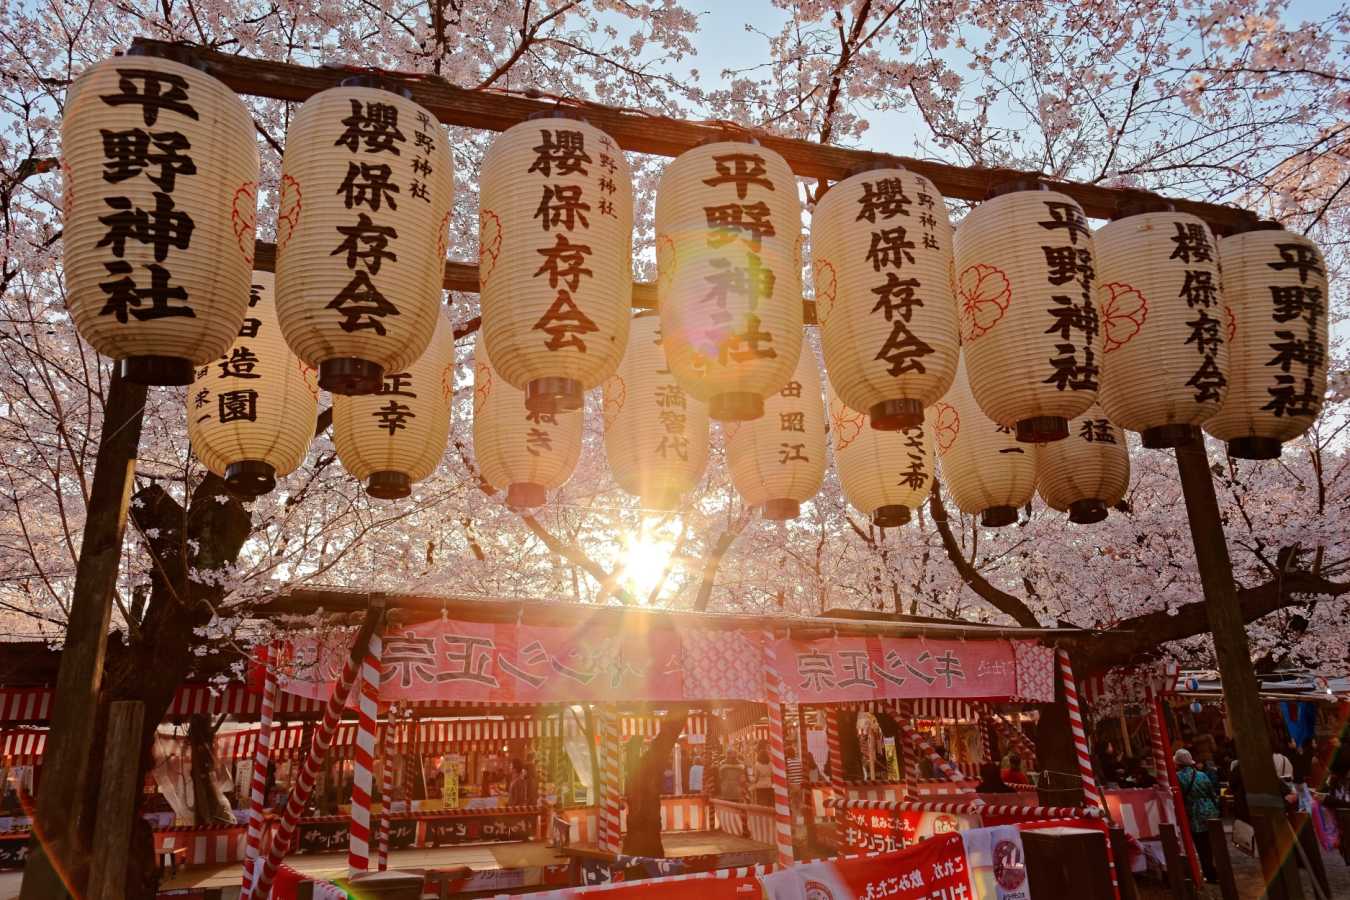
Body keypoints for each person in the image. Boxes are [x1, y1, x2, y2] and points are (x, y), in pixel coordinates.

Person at [1175, 749, 1219, 883]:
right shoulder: (1202, 775)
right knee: (1215, 844)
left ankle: (1209, 873)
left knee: (1201, 845)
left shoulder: (1177, 777)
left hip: (1194, 813)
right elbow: (1213, 794)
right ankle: (1219, 870)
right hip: (1210, 811)